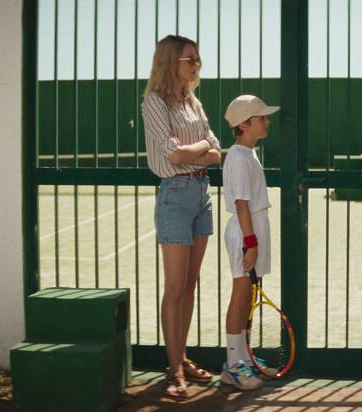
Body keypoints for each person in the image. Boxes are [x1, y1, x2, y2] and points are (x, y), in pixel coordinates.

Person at [141, 34, 220, 400]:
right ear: (170, 62)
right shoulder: (154, 102)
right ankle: (173, 371)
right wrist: (202, 147)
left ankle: (182, 357)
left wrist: (199, 149)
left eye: (197, 58)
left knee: (189, 286)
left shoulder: (193, 101)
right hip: (175, 196)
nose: (196, 64)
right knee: (174, 289)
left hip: (201, 194)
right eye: (190, 59)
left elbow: (216, 149)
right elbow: (171, 157)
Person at [219, 95, 280, 390]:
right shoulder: (238, 157)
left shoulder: (249, 153)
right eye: (261, 118)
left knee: (249, 297)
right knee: (240, 295)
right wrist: (251, 242)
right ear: (244, 124)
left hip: (253, 230)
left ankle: (246, 358)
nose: (267, 122)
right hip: (246, 233)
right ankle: (233, 366)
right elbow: (241, 204)